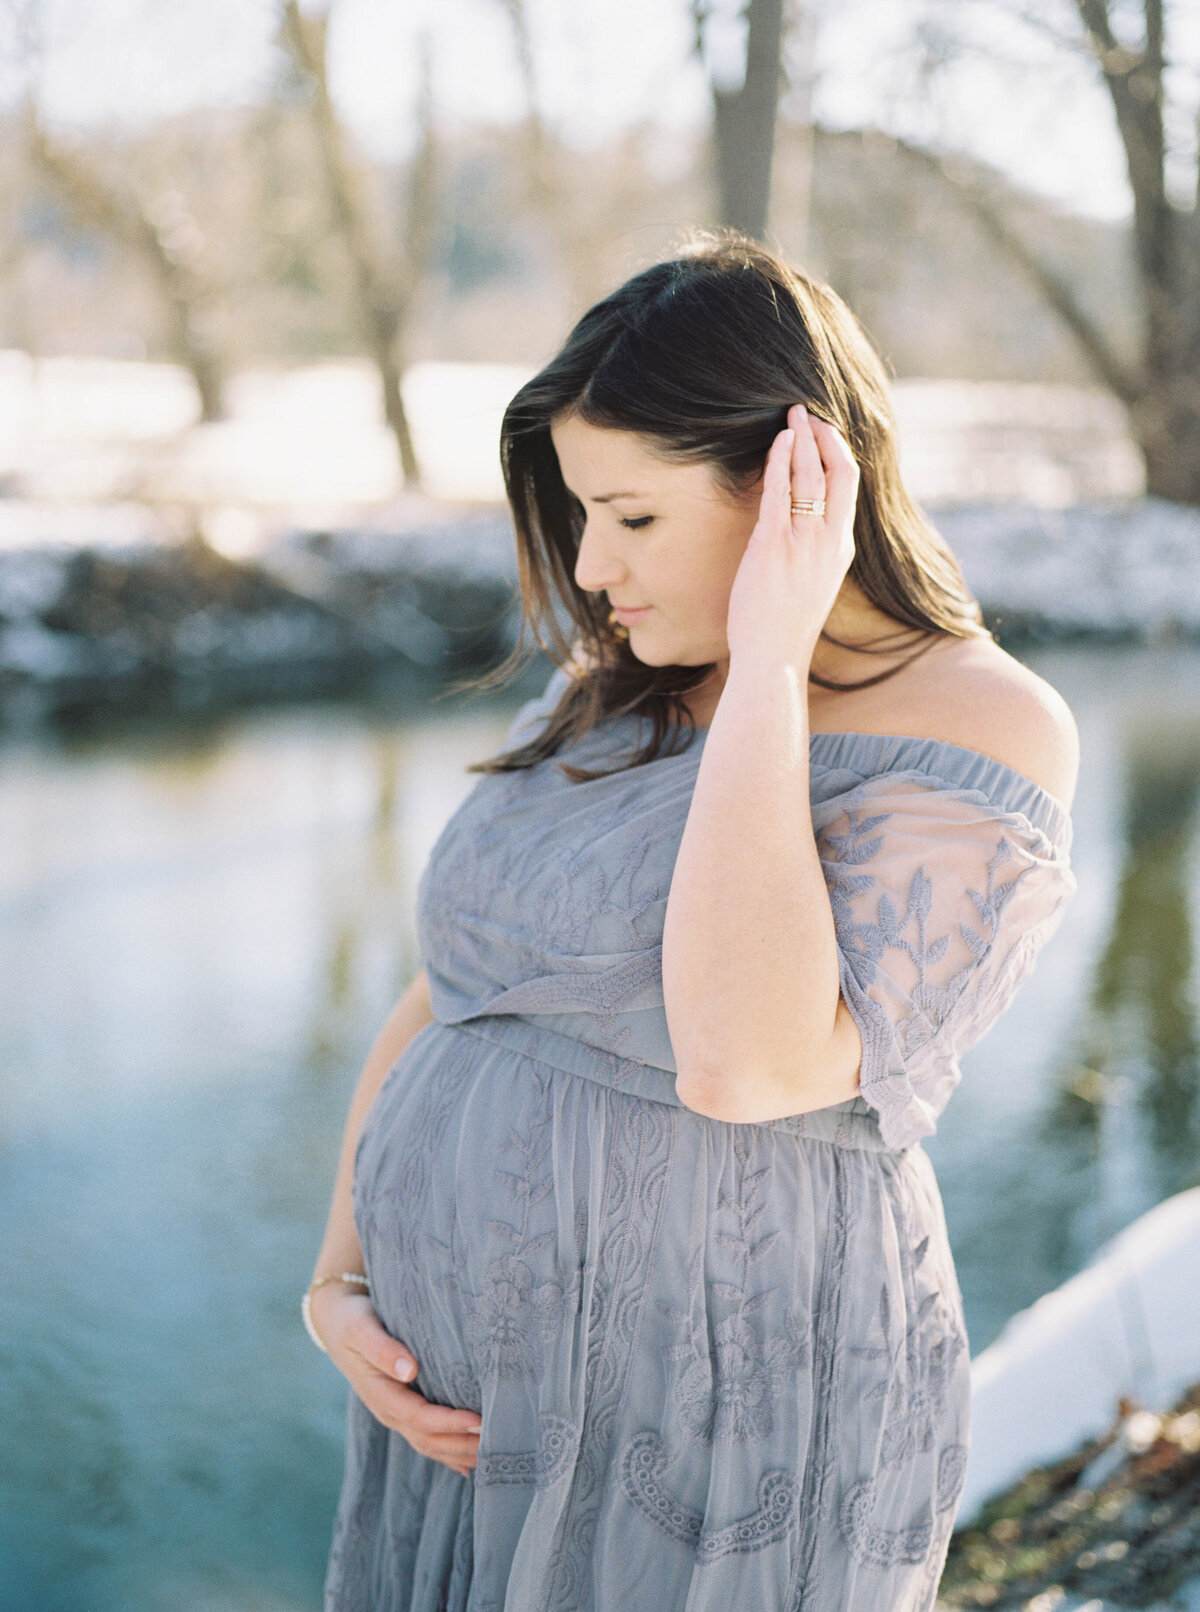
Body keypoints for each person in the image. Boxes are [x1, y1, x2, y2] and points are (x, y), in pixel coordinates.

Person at [305, 232, 1080, 1611]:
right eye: (578, 514)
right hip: (462, 1416)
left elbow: (749, 1062)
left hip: (721, 1429)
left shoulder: (985, 725)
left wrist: (776, 661)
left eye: (635, 516)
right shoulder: (612, 688)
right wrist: (340, 1277)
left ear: (798, 480)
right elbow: (453, 988)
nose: (592, 567)